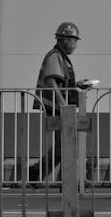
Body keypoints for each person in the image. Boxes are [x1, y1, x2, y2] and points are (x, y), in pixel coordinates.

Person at [33, 21, 92, 180]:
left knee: (66, 143)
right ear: (65, 39)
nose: (75, 44)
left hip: (60, 107)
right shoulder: (55, 56)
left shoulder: (61, 57)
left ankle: (65, 179)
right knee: (66, 144)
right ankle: (39, 172)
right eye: (74, 40)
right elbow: (51, 80)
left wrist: (77, 85)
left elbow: (61, 80)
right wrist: (63, 104)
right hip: (58, 107)